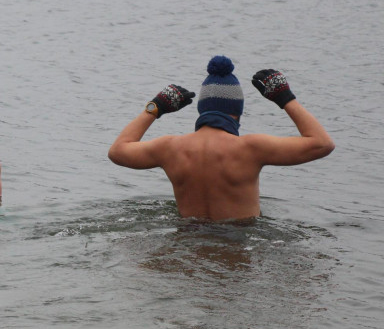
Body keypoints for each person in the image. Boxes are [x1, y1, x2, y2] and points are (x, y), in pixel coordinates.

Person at [107, 55, 335, 220]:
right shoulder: (252, 148)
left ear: (202, 110)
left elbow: (118, 151)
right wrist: (286, 98)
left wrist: (154, 108)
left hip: (188, 244)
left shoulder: (170, 148)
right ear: (237, 112)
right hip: (237, 247)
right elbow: (322, 143)